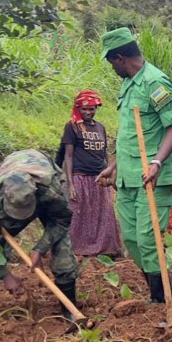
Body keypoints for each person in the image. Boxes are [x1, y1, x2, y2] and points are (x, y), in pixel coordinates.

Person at [98, 27, 172, 303]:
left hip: (152, 177)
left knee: (149, 240)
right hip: (127, 178)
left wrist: (158, 162)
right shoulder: (128, 84)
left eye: (112, 62)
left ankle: (160, 299)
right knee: (133, 240)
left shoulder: (155, 82)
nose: (113, 68)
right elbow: (131, 134)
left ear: (121, 58)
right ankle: (157, 290)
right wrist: (114, 165)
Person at [0, 149, 78, 325]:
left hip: (45, 191)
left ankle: (69, 310)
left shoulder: (51, 191)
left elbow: (63, 220)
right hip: (12, 180)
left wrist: (40, 248)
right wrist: (5, 274)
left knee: (62, 251)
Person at [58, 90, 121, 258]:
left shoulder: (100, 127)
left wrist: (110, 176)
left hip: (99, 177)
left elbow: (104, 154)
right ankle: (75, 251)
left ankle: (106, 249)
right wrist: (70, 183)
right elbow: (68, 155)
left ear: (96, 109)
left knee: (104, 213)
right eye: (84, 109)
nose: (87, 112)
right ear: (77, 108)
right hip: (80, 176)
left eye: (91, 109)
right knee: (78, 213)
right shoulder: (72, 126)